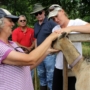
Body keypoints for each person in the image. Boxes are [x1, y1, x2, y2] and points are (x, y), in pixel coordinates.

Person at [0, 8, 59, 90]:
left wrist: (46, 52)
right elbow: (30, 59)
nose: (13, 24)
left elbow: (28, 66)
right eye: (10, 21)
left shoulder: (12, 44)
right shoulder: (1, 47)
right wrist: (51, 37)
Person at [48, 4, 90, 90]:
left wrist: (70, 28)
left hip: (76, 69)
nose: (56, 20)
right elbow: (52, 47)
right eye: (53, 18)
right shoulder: (55, 29)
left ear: (62, 11)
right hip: (59, 67)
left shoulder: (76, 23)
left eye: (56, 16)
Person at [30, 3, 57, 90]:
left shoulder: (51, 22)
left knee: (50, 76)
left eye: (40, 13)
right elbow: (36, 39)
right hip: (39, 55)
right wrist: (36, 51)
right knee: (41, 75)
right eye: (36, 14)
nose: (38, 15)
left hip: (49, 55)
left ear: (44, 12)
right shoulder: (36, 25)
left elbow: (58, 34)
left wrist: (54, 48)